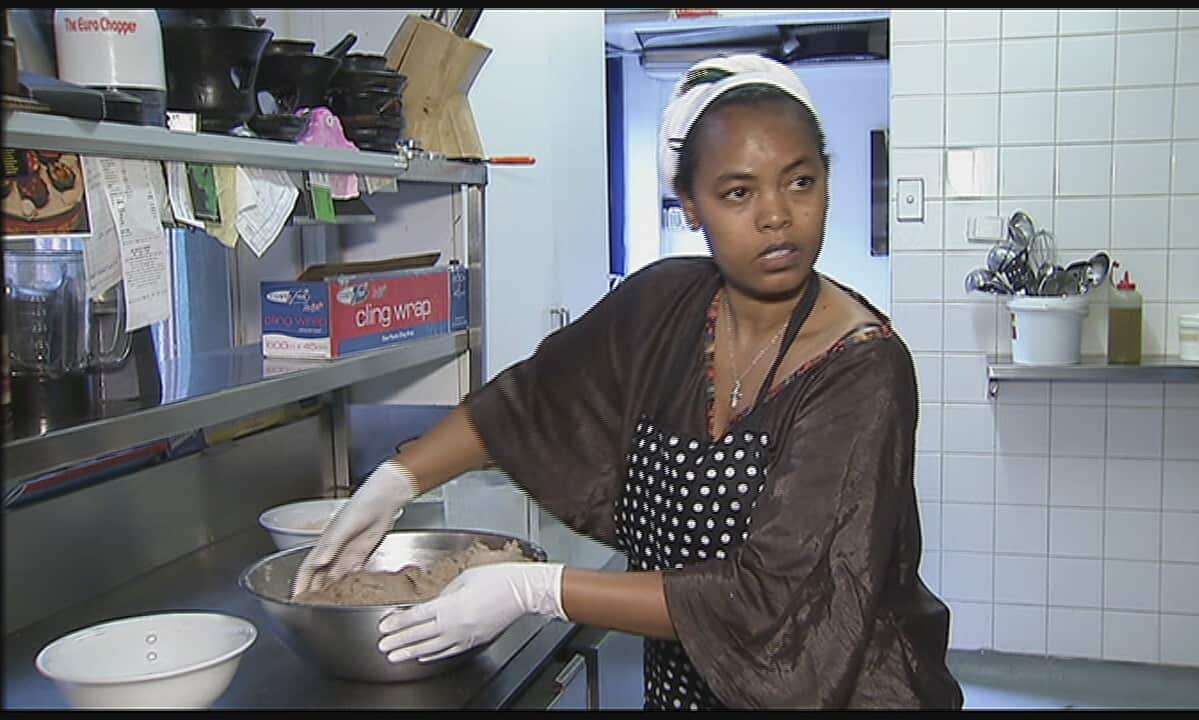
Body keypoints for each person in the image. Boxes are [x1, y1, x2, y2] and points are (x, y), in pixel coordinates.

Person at [292, 53, 964, 710]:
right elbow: (530, 402)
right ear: (690, 205)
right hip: (685, 690)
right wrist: (396, 482)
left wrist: (536, 590)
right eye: (738, 192)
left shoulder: (863, 369)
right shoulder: (665, 306)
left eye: (800, 182)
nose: (776, 216)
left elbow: (778, 604)